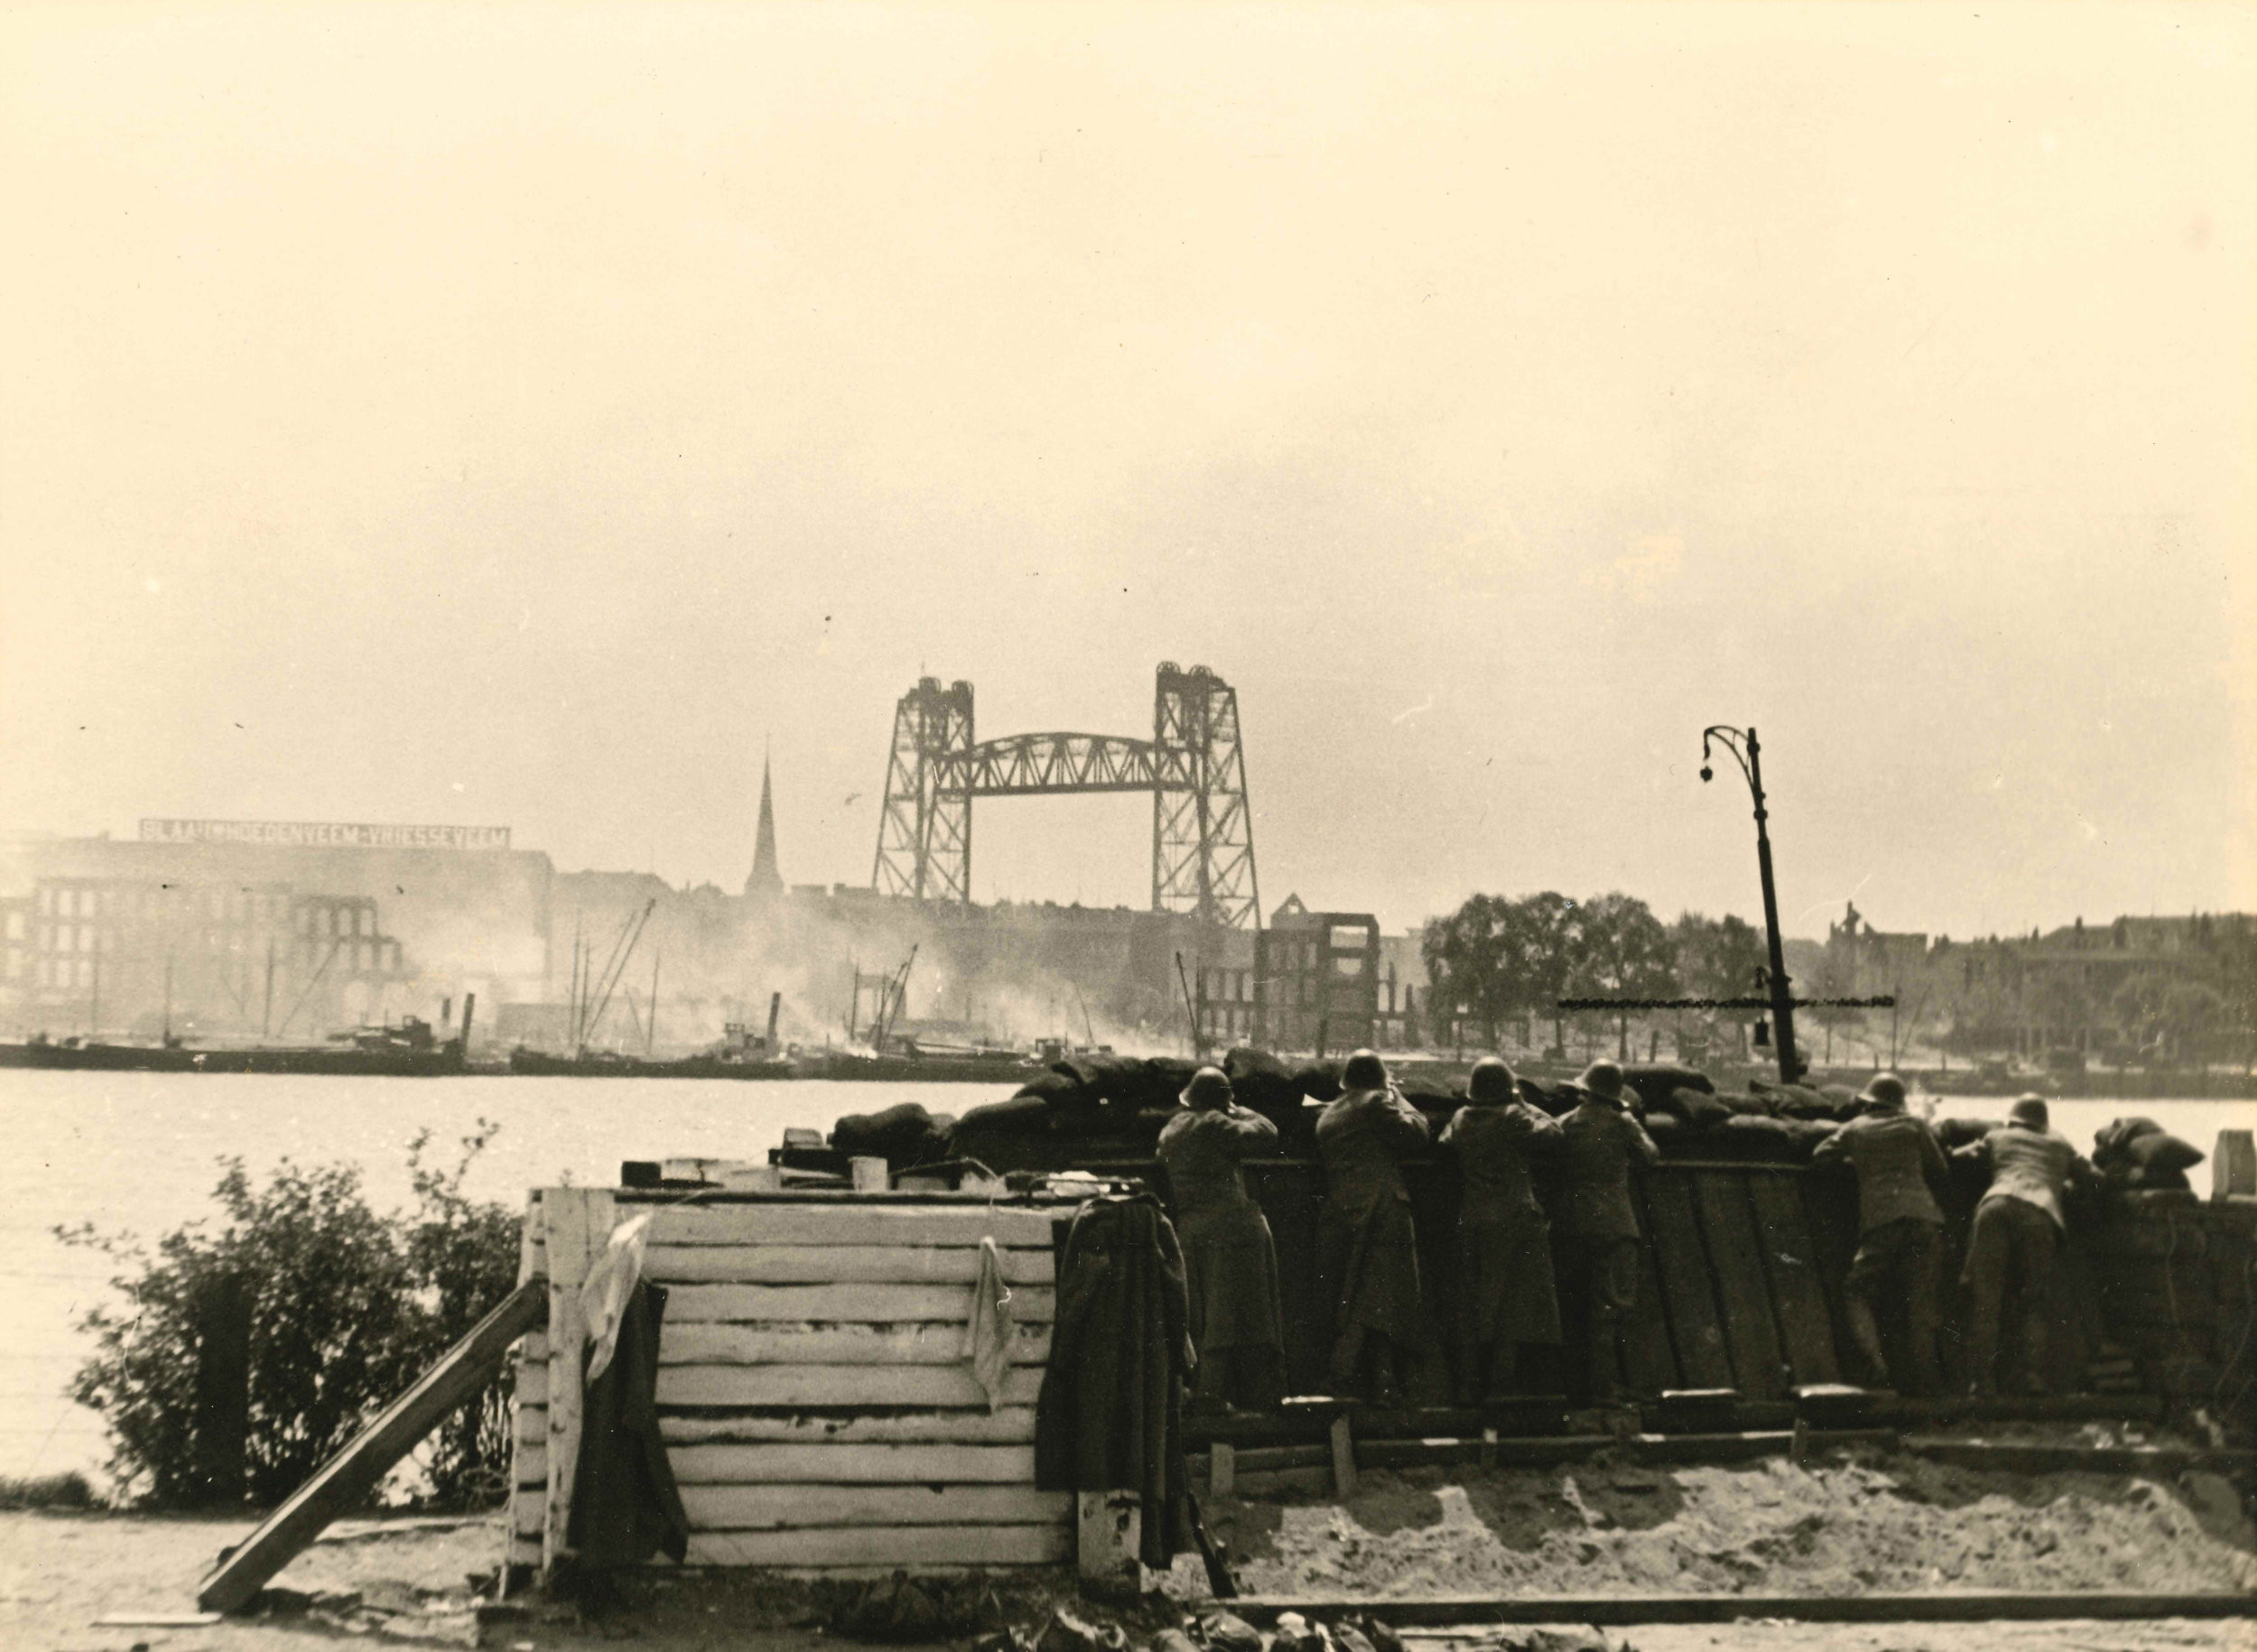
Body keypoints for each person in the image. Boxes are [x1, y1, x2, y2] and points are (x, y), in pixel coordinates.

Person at [1155, 1065, 1287, 1413]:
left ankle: (1204, 1390)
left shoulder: (1172, 1129)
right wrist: (1235, 1108)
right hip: (1230, 1232)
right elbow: (1266, 1133)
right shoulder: (1215, 1124)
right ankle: (1233, 1395)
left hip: (1191, 1230)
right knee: (1236, 1317)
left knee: (1202, 1315)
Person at [1809, 1072, 1949, 1394]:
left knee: (1856, 1291)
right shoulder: (1915, 1125)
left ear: (1868, 1103)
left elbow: (1819, 1156)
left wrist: (1856, 1159)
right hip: (1924, 1220)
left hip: (1882, 1223)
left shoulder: (1854, 1129)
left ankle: (1877, 1366)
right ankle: (1927, 1388)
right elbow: (1939, 1168)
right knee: (1920, 1308)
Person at [1440, 1056, 1564, 1402]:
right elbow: (1554, 1133)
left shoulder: (1461, 1119)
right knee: (1511, 1305)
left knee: (1473, 1302)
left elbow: (1444, 1143)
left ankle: (1468, 1384)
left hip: (1474, 1217)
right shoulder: (1514, 1117)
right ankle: (1501, 1383)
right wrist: (1526, 1104)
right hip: (1515, 1220)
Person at [1315, 1049, 1432, 1405]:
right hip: (1383, 1211)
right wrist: (1397, 1096)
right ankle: (1359, 1377)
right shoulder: (1376, 1103)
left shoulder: (1328, 1115)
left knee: (1361, 1297)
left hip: (1345, 1213)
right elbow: (1417, 1133)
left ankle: (1372, 1379)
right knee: (1382, 1298)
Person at [1954, 1094, 2090, 1397]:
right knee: (2034, 1301)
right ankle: (2031, 1378)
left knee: (1985, 1299)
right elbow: (2093, 1175)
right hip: (2039, 1214)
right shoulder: (2060, 1143)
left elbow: (1959, 1156)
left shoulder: (1998, 1135)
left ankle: (1982, 1381)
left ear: (2013, 1118)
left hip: (1995, 1207)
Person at [1555, 1060, 1661, 1403]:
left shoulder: (1567, 1123)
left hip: (1573, 1222)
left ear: (1584, 1090)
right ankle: (1604, 1388)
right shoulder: (1623, 1123)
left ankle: (1574, 1387)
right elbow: (1650, 1156)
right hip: (1615, 1223)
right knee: (1610, 1309)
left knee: (1575, 1307)